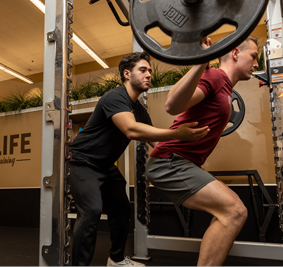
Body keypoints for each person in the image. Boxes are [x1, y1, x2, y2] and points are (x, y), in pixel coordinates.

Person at [68, 52, 209, 266]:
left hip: (105, 166)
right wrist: (176, 133)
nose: (149, 74)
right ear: (127, 74)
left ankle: (115, 260)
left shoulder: (139, 111)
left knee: (122, 208)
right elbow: (132, 131)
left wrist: (189, 154)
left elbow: (159, 145)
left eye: (150, 71)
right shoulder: (114, 97)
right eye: (143, 70)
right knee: (92, 210)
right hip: (82, 161)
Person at [146, 36, 259, 266]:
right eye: (254, 56)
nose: (257, 64)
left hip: (180, 163)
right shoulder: (217, 76)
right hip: (169, 161)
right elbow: (172, 106)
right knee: (235, 211)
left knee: (229, 213)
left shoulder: (224, 86)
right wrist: (201, 63)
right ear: (236, 53)